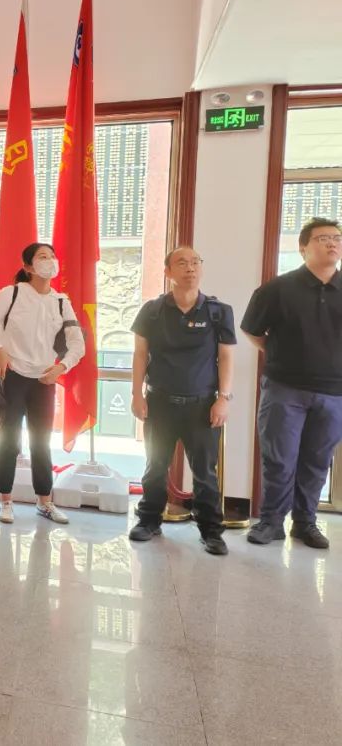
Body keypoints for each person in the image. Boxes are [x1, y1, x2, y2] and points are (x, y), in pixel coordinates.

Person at [242, 218, 342, 548]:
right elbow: (252, 329)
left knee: (317, 461)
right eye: (323, 238)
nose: (332, 243)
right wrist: (278, 354)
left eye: (337, 238)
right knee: (279, 459)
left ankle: (305, 523)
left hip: (334, 392)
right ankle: (271, 522)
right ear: (303, 248)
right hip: (285, 388)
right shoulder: (278, 289)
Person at [128, 246, 235, 555]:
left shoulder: (218, 311)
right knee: (155, 466)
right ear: (168, 272)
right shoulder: (152, 310)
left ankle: (211, 531)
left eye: (195, 262)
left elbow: (226, 357)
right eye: (182, 263)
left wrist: (224, 398)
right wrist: (136, 394)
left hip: (202, 405)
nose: (190, 268)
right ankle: (149, 520)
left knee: (205, 472)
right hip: (159, 402)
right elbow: (140, 354)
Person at [0, 242, 85, 525]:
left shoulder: (61, 301)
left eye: (52, 256)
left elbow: (77, 343)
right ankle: (5, 501)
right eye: (43, 257)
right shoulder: (11, 294)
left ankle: (44, 501)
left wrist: (61, 367)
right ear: (28, 267)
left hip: (44, 379)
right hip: (13, 375)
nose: (50, 261)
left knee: (41, 442)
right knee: (8, 440)